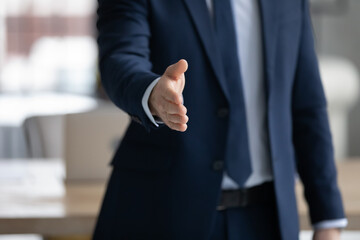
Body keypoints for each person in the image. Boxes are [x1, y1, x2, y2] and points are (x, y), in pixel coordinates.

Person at [93, 0, 347, 239]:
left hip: (268, 219)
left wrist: (328, 219)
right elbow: (120, 59)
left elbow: (307, 104)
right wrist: (152, 94)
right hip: (161, 211)